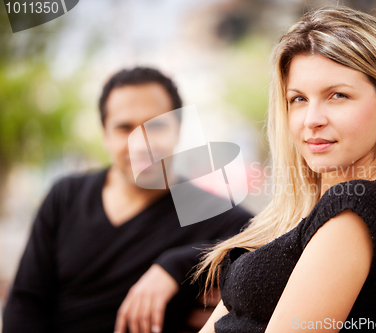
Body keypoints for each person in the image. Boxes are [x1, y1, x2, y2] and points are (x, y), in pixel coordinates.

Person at [194, 6, 376, 333]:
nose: (312, 119)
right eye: (298, 99)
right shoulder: (319, 209)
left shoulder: (358, 206)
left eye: (337, 95)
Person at [2, 67, 252, 333]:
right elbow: (25, 304)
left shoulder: (213, 214)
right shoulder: (65, 197)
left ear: (178, 131)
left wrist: (177, 265)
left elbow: (272, 242)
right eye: (124, 128)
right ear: (105, 134)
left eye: (155, 126)